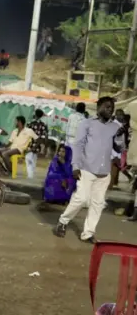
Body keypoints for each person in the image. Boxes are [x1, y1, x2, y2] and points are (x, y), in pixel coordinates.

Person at [53, 97, 121, 243]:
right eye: (107, 107)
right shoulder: (87, 124)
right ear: (99, 108)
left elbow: (118, 147)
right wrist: (75, 166)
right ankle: (63, 221)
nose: (111, 110)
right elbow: (78, 145)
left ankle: (88, 233)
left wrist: (121, 136)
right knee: (81, 199)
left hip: (104, 172)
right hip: (87, 169)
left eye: (112, 108)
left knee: (98, 204)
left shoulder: (115, 127)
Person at [25, 109, 49, 179]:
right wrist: (45, 146)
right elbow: (46, 136)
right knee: (34, 159)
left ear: (35, 114)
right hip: (38, 145)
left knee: (28, 159)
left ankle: (30, 176)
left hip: (30, 144)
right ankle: (31, 175)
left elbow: (26, 134)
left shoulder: (30, 123)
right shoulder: (43, 124)